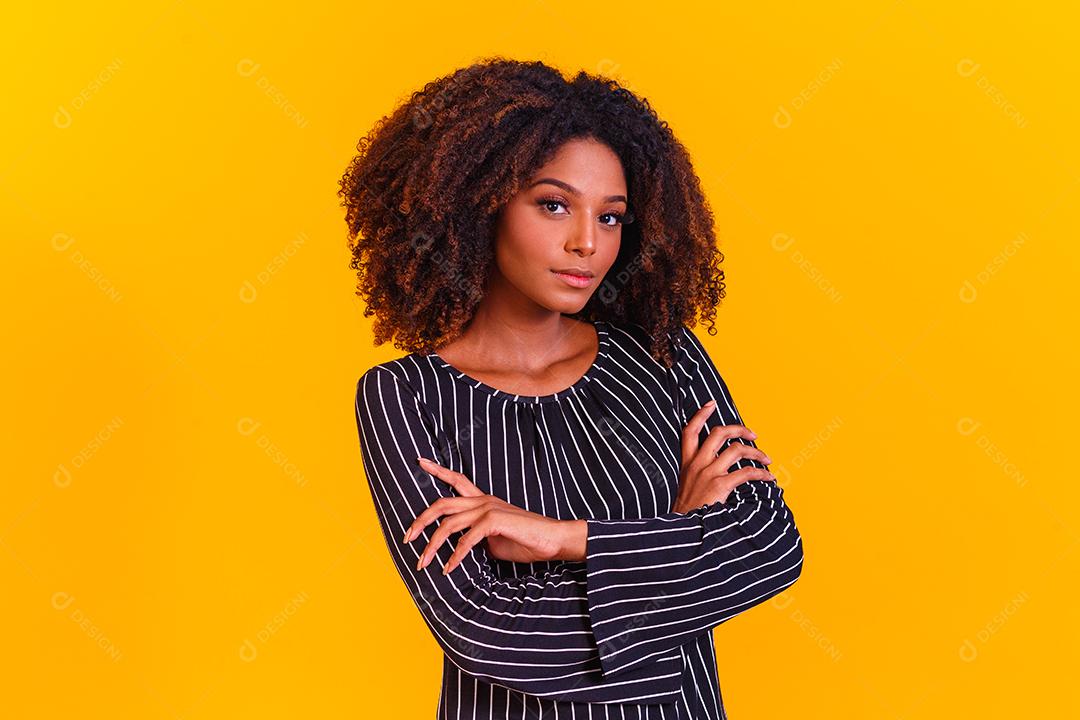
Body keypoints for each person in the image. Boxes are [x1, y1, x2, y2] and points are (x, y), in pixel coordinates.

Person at [340, 57, 804, 719]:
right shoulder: (406, 396)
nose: (587, 242)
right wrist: (681, 539)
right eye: (554, 205)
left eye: (610, 218)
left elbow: (767, 546)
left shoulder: (661, 354)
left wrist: (564, 538)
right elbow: (487, 631)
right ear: (480, 205)